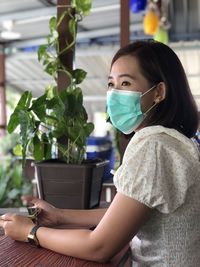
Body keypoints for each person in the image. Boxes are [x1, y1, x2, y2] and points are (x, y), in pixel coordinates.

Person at [0, 40, 200, 266]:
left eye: (125, 83)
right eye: (111, 84)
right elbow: (126, 213)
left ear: (158, 92)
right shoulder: (175, 141)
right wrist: (60, 216)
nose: (114, 94)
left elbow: (99, 246)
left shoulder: (155, 146)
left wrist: (30, 231)